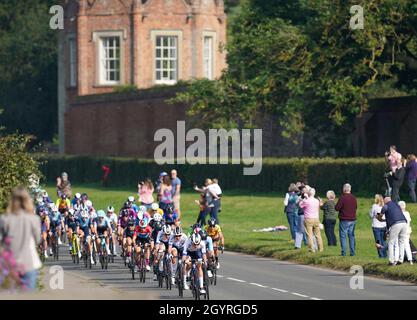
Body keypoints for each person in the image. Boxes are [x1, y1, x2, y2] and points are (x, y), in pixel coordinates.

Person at [0, 187, 42, 290]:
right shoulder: (34, 219)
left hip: (9, 264)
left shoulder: (5, 219)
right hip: (29, 263)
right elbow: (38, 240)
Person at [378, 197, 408, 265]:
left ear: (385, 201)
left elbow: (380, 216)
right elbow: (392, 216)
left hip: (396, 224)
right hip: (404, 222)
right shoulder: (396, 205)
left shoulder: (385, 206)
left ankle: (391, 261)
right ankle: (400, 260)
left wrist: (379, 217)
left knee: (391, 242)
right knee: (401, 242)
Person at [335, 183, 357, 256]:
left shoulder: (342, 198)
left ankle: (344, 253)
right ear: (350, 189)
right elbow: (356, 207)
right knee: (351, 236)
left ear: (344, 189)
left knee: (343, 236)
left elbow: (337, 208)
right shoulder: (354, 197)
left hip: (344, 219)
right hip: (353, 219)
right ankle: (352, 252)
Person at [299, 188, 323, 253]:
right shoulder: (317, 201)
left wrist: (304, 198)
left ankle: (311, 249)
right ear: (314, 193)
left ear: (309, 193)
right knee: (318, 234)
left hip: (308, 219)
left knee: (309, 235)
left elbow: (300, 205)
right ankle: (321, 249)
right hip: (316, 219)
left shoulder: (306, 201)